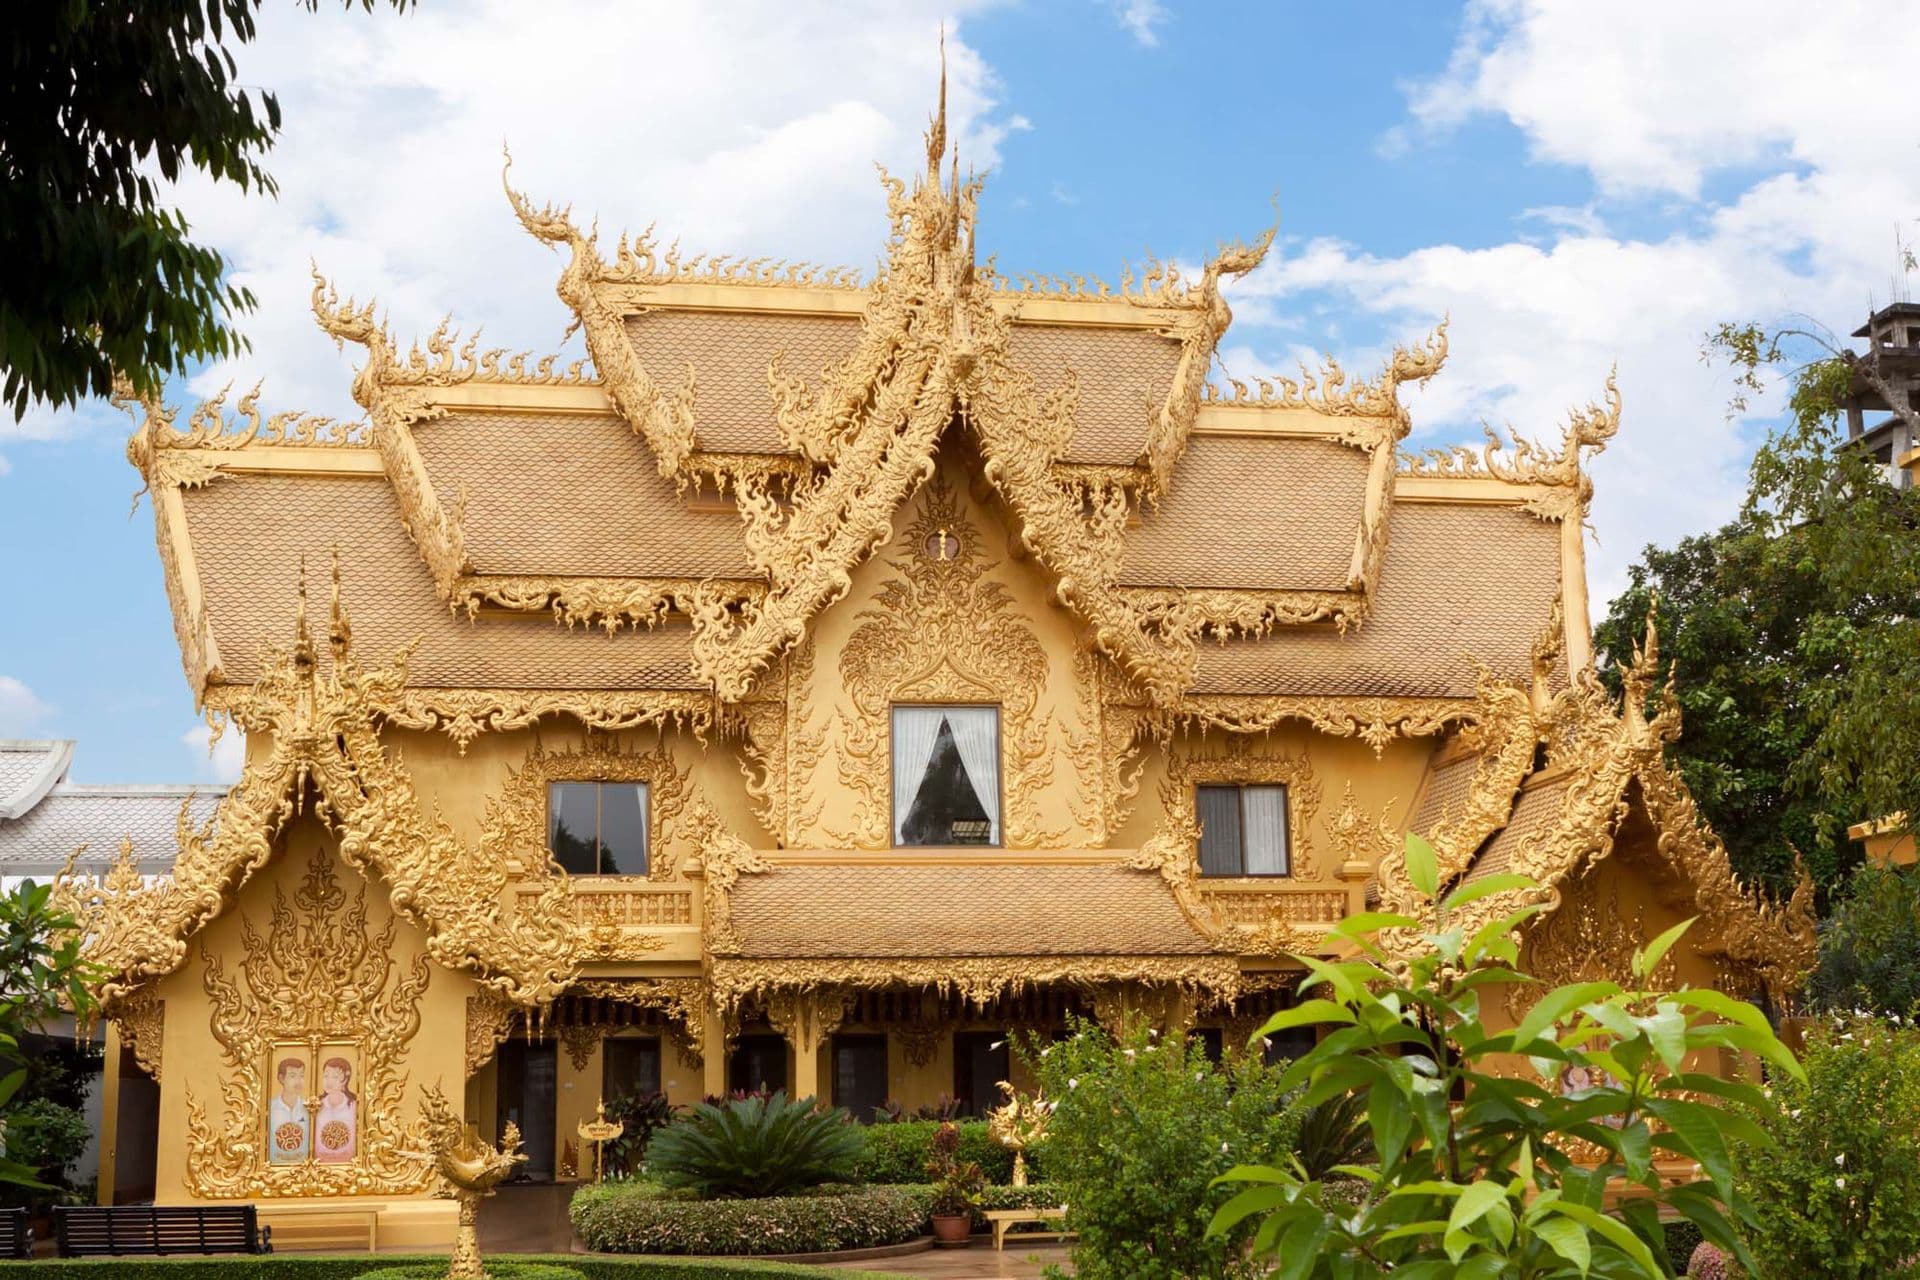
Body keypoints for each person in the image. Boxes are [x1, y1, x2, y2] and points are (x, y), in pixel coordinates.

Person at [314, 1056, 358, 1163]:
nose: (329, 1081)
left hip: (348, 1163)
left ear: (345, 1080)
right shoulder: (315, 1105)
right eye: (326, 1076)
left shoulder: (354, 1106)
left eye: (335, 1077)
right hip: (320, 1163)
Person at [268, 1057, 309, 1164]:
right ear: (281, 1078)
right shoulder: (269, 1108)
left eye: (301, 1076)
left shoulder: (309, 1108)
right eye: (292, 1076)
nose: (298, 1081)